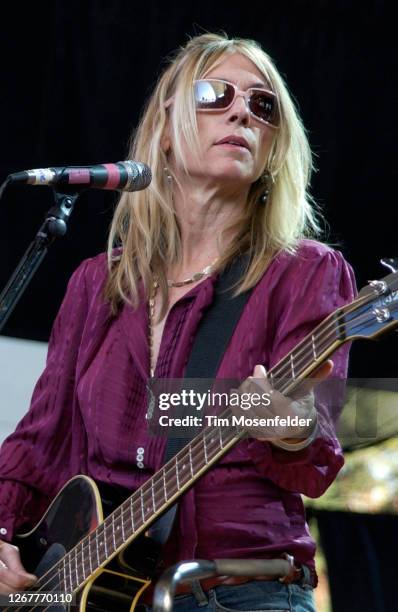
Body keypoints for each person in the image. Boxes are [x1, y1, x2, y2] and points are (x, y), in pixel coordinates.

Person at [0, 33, 356, 611]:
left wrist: (285, 423)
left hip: (237, 591)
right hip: (102, 592)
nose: (242, 109)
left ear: (272, 151)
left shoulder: (303, 273)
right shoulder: (97, 283)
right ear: (166, 131)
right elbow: (40, 444)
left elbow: (316, 453)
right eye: (216, 93)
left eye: (263, 105)